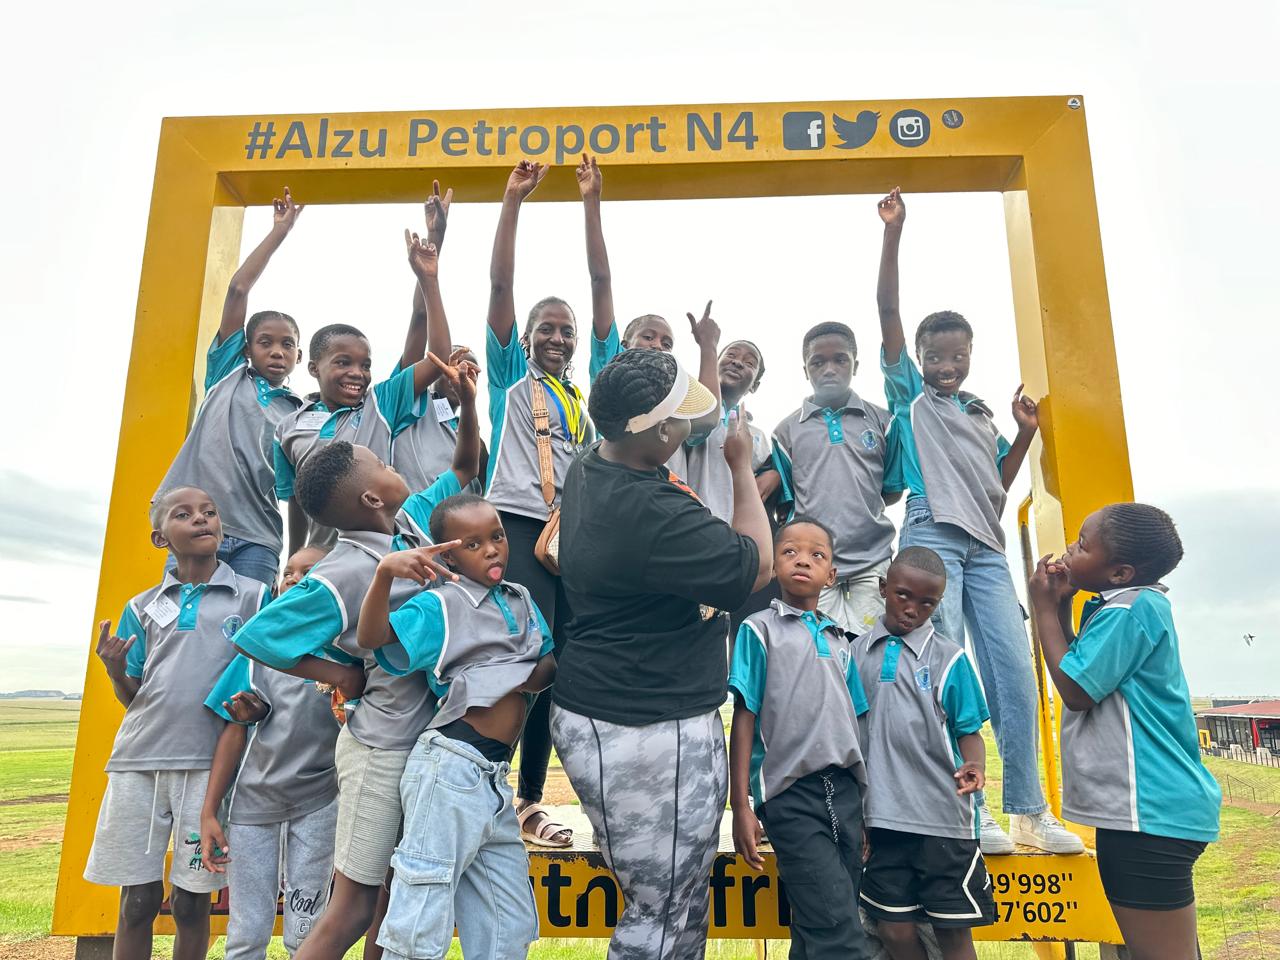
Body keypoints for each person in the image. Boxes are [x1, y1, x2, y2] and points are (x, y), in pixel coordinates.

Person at [231, 357, 480, 960]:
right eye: (386, 464)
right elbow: (258, 636)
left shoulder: (414, 528)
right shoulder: (340, 570)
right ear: (372, 495)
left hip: (423, 742)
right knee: (353, 905)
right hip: (380, 750)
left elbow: (466, 469)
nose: (396, 466)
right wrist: (339, 672)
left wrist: (470, 404)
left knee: (394, 898)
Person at [875, 187, 1081, 856]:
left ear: (970, 354)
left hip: (987, 547)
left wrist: (1022, 434)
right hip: (933, 535)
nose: (944, 364)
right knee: (946, 667)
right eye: (934, 356)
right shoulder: (912, 402)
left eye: (955, 355)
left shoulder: (981, 414)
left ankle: (1030, 809)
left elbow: (996, 488)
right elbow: (887, 313)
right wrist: (893, 235)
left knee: (1014, 675)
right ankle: (970, 807)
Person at [551, 349, 773, 959]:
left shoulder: (592, 464)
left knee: (669, 900)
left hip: (609, 705)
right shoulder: (650, 508)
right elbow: (754, 564)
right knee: (664, 910)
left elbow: (674, 427)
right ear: (656, 430)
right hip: (648, 720)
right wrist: (741, 466)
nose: (684, 427)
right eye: (677, 419)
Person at [354, 494, 555, 960]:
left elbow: (546, 668)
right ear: (447, 554)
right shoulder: (441, 605)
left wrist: (507, 672)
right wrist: (384, 573)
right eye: (474, 543)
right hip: (450, 768)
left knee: (507, 920)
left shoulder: (520, 599)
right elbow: (372, 638)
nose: (492, 550)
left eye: (498, 536)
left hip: (492, 778)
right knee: (420, 916)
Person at [84, 486, 270, 960]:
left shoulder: (252, 597)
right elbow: (134, 697)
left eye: (209, 512)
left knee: (191, 904)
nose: (202, 520)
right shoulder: (142, 606)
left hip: (208, 766)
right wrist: (112, 669)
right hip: (138, 762)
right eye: (184, 514)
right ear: (159, 537)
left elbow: (264, 677)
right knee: (138, 902)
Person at [484, 157, 610, 847]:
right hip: (519, 525)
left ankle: (528, 799)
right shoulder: (511, 379)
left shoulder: (580, 400)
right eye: (546, 328)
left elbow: (602, 286)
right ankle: (489, 787)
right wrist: (513, 200)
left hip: (569, 540)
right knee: (522, 657)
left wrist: (592, 203)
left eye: (567, 330)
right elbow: (501, 283)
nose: (558, 338)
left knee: (557, 666)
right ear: (526, 337)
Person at [1028, 504, 1219, 960]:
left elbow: (1075, 689)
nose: (1070, 551)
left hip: (1147, 818)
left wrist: (1041, 608)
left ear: (1119, 572)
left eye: (1082, 545)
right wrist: (1064, 605)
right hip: (1145, 818)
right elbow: (1083, 666)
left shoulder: (1129, 611)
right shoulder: (1127, 606)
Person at [729, 516, 874, 960]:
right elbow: (744, 717)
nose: (802, 561)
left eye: (817, 555)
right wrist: (740, 806)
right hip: (790, 796)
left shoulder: (842, 641)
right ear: (773, 566)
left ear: (832, 574)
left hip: (845, 794)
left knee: (818, 927)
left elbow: (859, 724)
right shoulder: (759, 630)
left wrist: (867, 808)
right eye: (790, 552)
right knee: (841, 935)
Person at [274, 207, 455, 552]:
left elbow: (438, 358)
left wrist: (429, 271)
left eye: (365, 364)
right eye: (344, 362)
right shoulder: (287, 427)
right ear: (313, 368)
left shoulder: (380, 403)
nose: (358, 373)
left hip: (384, 549)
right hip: (326, 558)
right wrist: (296, 556)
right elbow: (296, 501)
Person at [197, 544, 347, 960]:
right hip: (253, 805)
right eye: (288, 572)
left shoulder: (345, 654)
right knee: (247, 931)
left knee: (306, 927)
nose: (296, 578)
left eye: (309, 572)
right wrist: (211, 811)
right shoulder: (255, 653)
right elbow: (233, 731)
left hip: (320, 801)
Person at [156, 187, 305, 587]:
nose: (277, 351)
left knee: (240, 639)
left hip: (258, 539)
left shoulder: (298, 413)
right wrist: (279, 232)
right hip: (196, 527)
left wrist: (294, 556)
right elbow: (238, 288)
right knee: (184, 630)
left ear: (299, 356)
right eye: (266, 342)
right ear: (245, 348)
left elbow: (296, 495)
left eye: (287, 344)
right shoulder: (227, 375)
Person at [854, 547, 995, 960]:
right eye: (903, 595)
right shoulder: (857, 653)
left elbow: (969, 731)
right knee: (894, 931)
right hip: (883, 819)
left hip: (943, 823)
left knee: (953, 935)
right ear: (883, 589)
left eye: (927, 602)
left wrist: (976, 766)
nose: (912, 609)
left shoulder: (949, 659)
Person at [771, 321, 904, 634]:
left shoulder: (883, 421)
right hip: (813, 561)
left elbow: (891, 490)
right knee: (820, 652)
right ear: (806, 370)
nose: (829, 369)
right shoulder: (786, 432)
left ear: (855, 365)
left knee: (873, 646)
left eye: (840, 360)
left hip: (873, 560)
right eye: (818, 362)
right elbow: (788, 499)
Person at [388, 182, 488, 494]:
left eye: (471, 370)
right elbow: (420, 317)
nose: (462, 373)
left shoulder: (473, 441)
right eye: (456, 364)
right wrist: (435, 239)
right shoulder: (408, 404)